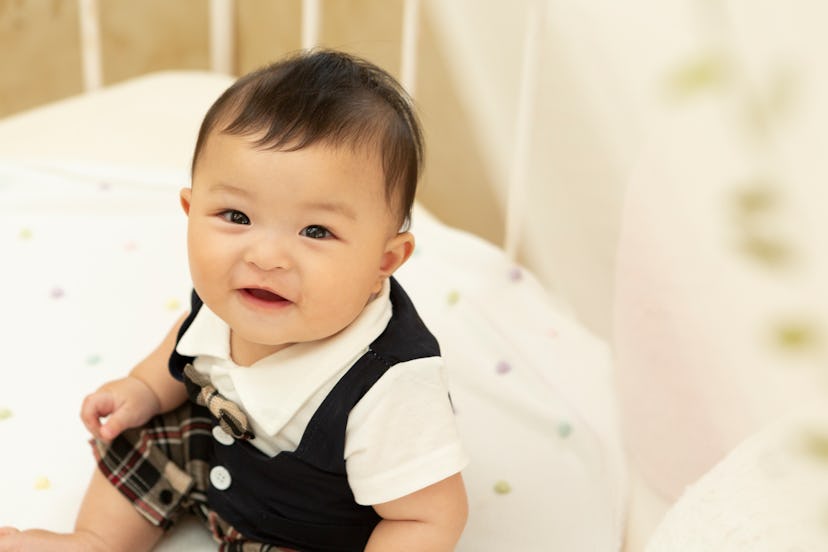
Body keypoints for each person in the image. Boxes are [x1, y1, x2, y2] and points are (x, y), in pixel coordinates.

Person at [0, 49, 469, 552]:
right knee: (145, 434)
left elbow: (430, 518)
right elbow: (188, 341)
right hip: (206, 453)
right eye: (236, 217)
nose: (265, 257)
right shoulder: (229, 294)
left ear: (385, 260)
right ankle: (95, 541)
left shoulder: (390, 386)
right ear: (190, 208)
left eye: (316, 231)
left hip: (303, 527)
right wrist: (144, 389)